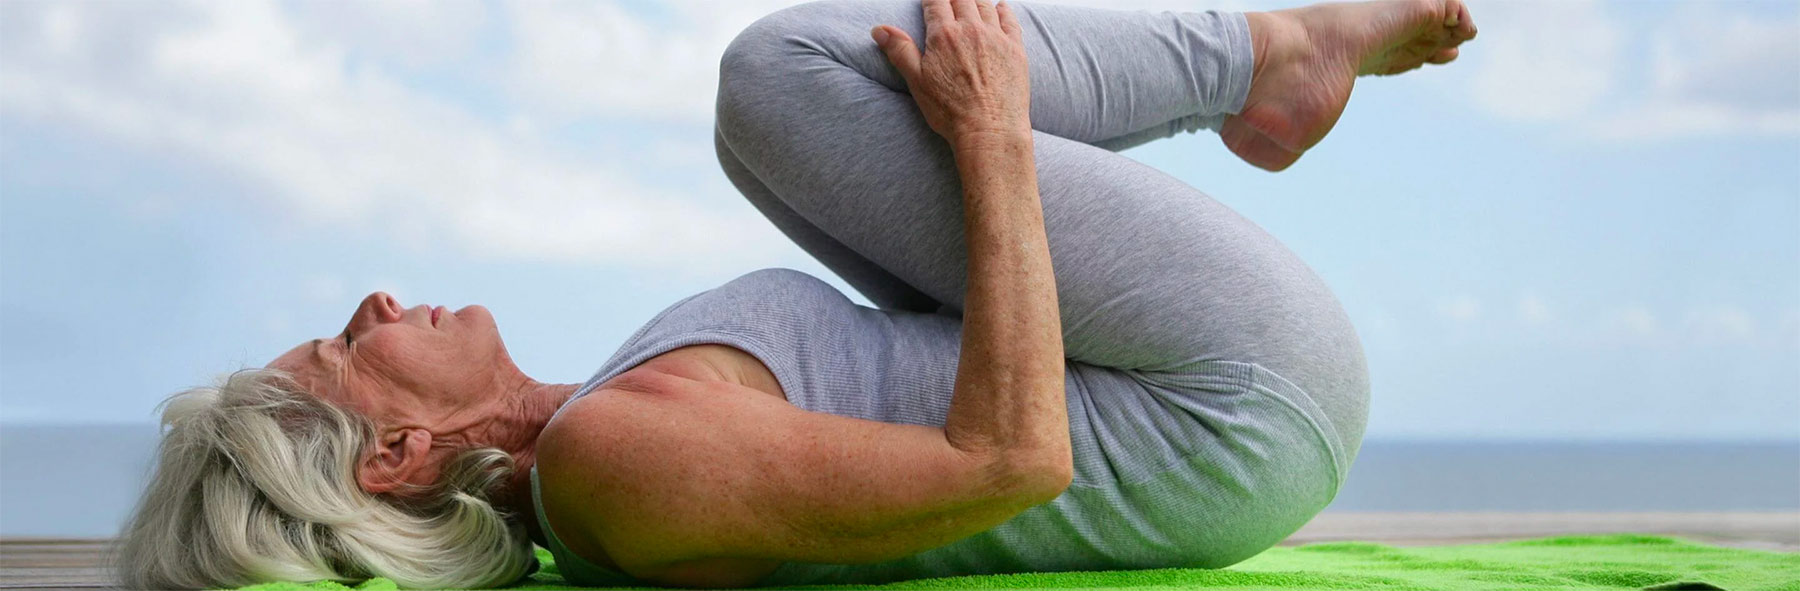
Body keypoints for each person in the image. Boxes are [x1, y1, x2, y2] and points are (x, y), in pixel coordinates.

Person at [114, 0, 1476, 588]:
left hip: (1207, 399)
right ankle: (1275, 50)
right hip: (1234, 402)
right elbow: (1015, 458)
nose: (370, 300)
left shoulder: (602, 430)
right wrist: (992, 141)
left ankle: (1274, 52)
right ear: (401, 459)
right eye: (337, 349)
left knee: (766, 115)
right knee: (780, 85)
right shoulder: (606, 469)